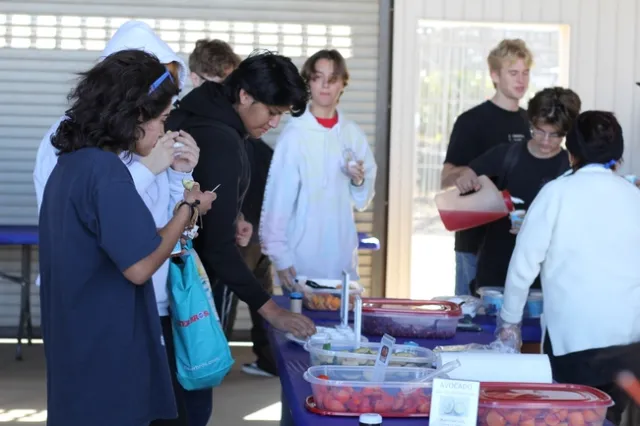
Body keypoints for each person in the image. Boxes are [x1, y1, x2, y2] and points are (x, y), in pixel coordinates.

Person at [32, 21, 212, 426]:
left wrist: (177, 177)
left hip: (78, 329)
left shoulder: (74, 159)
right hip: (107, 335)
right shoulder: (106, 170)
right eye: (162, 118)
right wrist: (189, 207)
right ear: (135, 114)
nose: (165, 128)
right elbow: (141, 264)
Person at [496, 111, 640, 424]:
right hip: (630, 346)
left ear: (570, 152)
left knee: (572, 418)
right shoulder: (635, 197)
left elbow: (523, 265)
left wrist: (510, 321)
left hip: (574, 346)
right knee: (607, 418)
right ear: (618, 154)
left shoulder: (556, 194)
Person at [165, 49, 316, 345]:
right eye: (272, 112)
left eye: (280, 115)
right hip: (184, 291)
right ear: (245, 96)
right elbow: (216, 247)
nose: (274, 123)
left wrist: (233, 215)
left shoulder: (210, 112)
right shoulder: (219, 138)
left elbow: (204, 195)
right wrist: (271, 310)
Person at [188, 38, 279, 378]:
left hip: (241, 238)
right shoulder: (191, 127)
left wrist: (241, 217)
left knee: (218, 322)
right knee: (209, 327)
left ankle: (221, 363)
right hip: (209, 253)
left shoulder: (247, 137)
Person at [260, 49, 377, 287]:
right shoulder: (295, 136)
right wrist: (280, 256)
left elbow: (363, 200)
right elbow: (277, 200)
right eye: (317, 77)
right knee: (300, 324)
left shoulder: (352, 135)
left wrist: (358, 181)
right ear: (308, 83)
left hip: (342, 262)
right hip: (299, 263)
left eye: (332, 79)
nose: (325, 85)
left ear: (343, 84)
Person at [454, 87, 580, 293]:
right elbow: (467, 173)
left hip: (543, 278)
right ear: (531, 123)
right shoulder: (507, 155)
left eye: (555, 135)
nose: (546, 141)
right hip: (496, 271)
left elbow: (574, 227)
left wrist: (535, 230)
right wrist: (466, 177)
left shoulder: (569, 169)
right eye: (539, 131)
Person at [441, 39, 533, 296]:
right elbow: (445, 178)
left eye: (525, 72)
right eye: (513, 73)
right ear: (494, 75)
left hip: (519, 242)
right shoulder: (472, 121)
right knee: (473, 322)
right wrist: (464, 176)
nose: (521, 80)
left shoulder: (532, 123)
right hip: (475, 244)